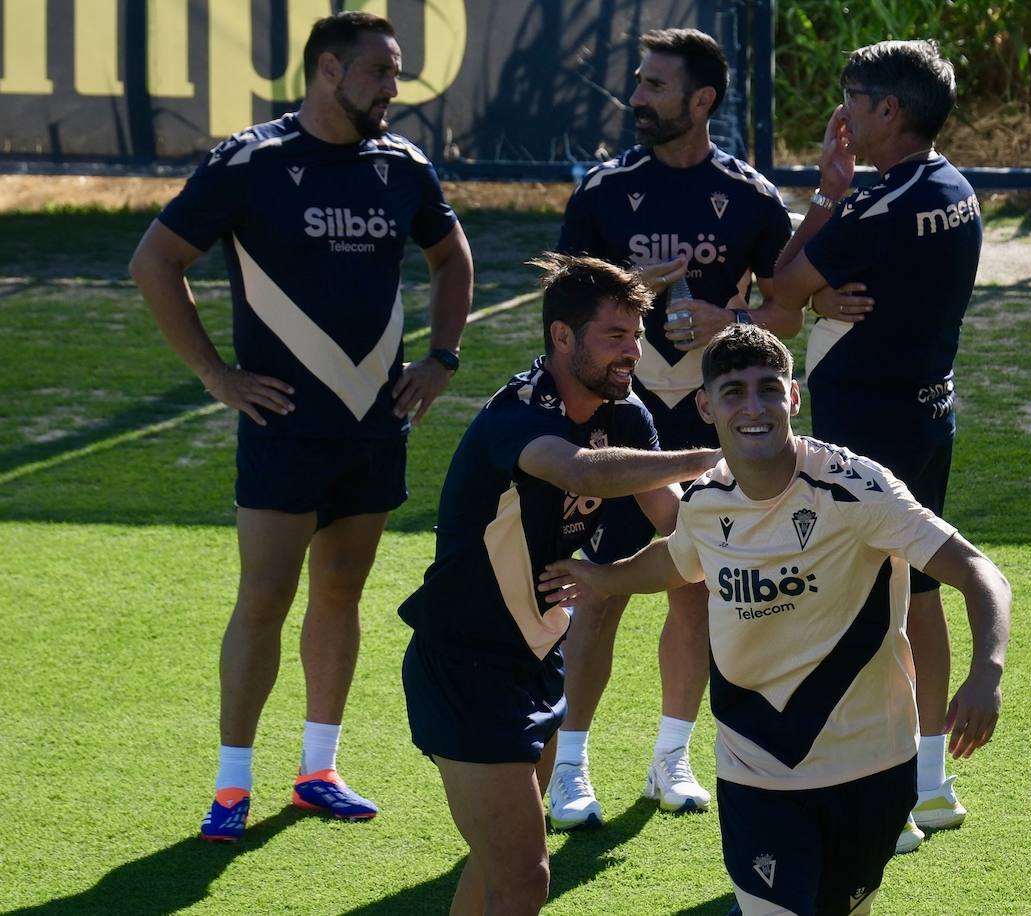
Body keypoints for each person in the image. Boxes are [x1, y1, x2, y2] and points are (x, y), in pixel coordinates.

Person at [128, 10, 474, 842]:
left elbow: (452, 257)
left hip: (373, 424)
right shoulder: (252, 161)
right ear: (328, 71)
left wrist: (442, 359)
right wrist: (216, 375)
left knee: (341, 594)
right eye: (382, 72)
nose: (396, 88)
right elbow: (155, 261)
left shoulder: (403, 166)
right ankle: (230, 784)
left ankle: (318, 769)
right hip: (283, 427)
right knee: (265, 599)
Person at [540, 325, 1009, 915]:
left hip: (871, 761)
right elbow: (680, 557)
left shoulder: (856, 490)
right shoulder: (706, 499)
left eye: (768, 388)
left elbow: (977, 570)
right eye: (733, 391)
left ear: (793, 397)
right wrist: (603, 578)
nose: (754, 406)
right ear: (705, 405)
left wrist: (986, 672)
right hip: (756, 762)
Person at [397, 253, 721, 915]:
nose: (633, 352)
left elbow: (675, 522)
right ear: (562, 338)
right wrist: (717, 453)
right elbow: (580, 473)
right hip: (464, 667)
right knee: (526, 876)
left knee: (497, 870)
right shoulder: (517, 415)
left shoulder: (625, 414)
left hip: (536, 663)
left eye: (637, 335)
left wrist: (758, 537)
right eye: (614, 337)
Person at [552, 27, 799, 828]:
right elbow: (559, 317)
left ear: (702, 101)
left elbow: (790, 310)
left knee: (695, 591)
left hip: (709, 425)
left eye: (654, 85)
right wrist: (631, 292)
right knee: (598, 594)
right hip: (618, 428)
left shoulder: (754, 197)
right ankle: (569, 769)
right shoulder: (601, 193)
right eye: (637, 81)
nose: (636, 97)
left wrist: (734, 315)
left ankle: (670, 761)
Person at [769, 39, 985, 853]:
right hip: (930, 418)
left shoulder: (874, 208)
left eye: (852, 98)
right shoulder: (953, 186)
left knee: (861, 614)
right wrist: (828, 283)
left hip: (866, 431)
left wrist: (826, 200)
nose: (842, 114)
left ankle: (884, 801)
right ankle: (931, 785)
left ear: (888, 110)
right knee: (918, 594)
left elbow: (776, 290)